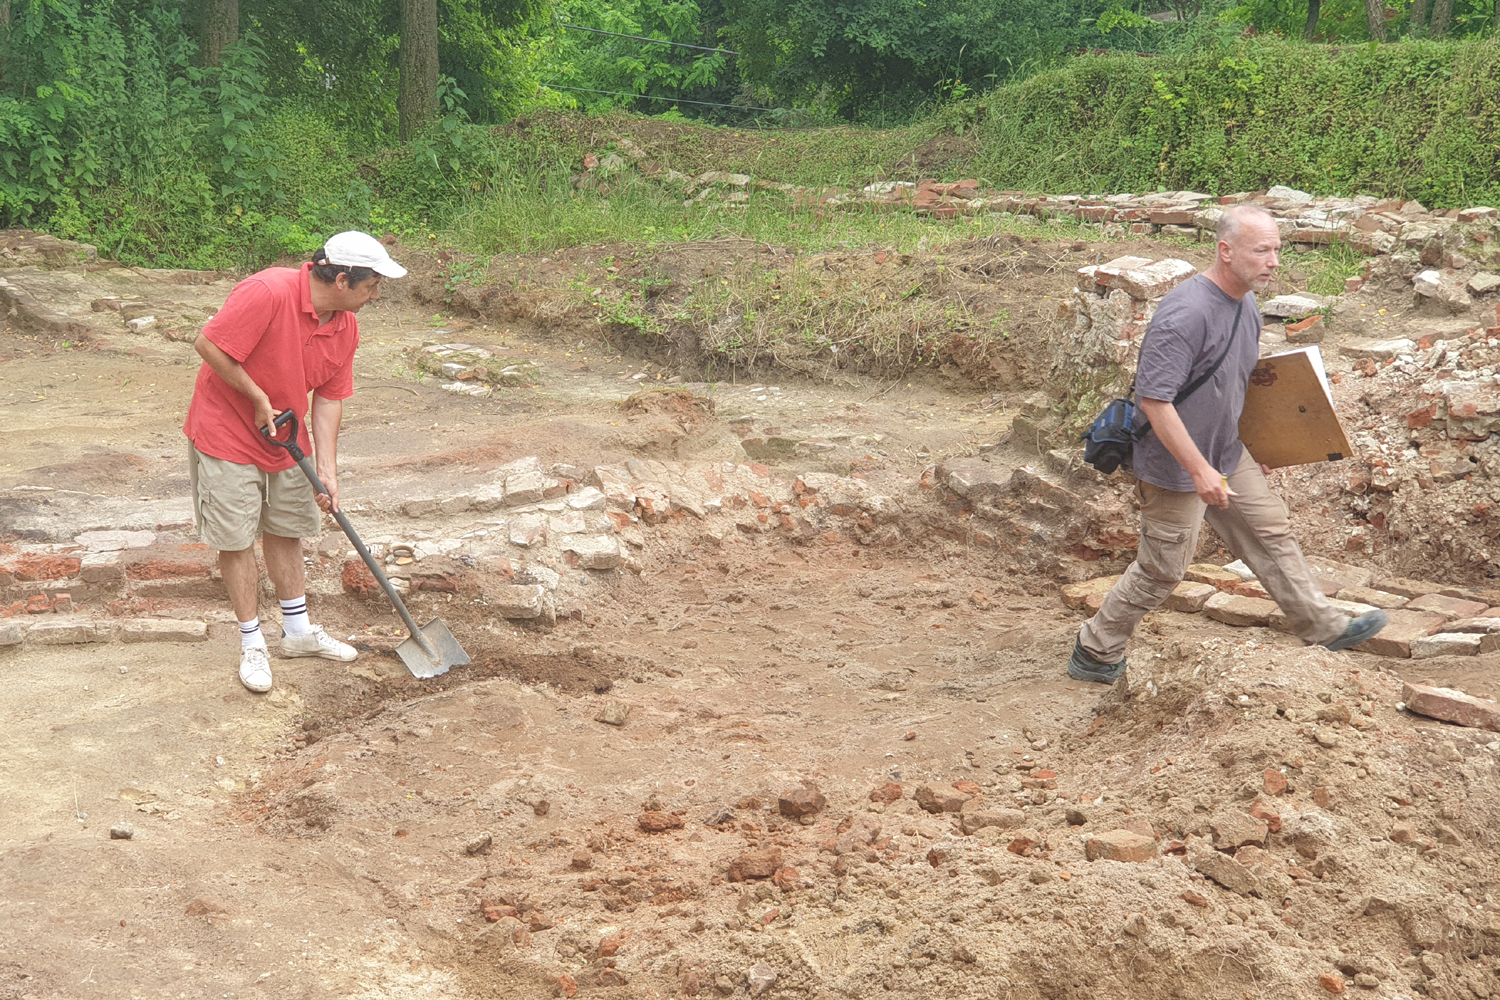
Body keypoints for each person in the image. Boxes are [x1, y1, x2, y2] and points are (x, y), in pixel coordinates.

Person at [1068, 205, 1387, 684]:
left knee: (1269, 531)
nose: (1273, 261)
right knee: (1162, 570)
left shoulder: (1247, 305)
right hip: (1176, 464)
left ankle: (1325, 627)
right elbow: (1155, 402)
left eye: (1276, 249)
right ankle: (1096, 649)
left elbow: (1237, 385)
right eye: (1261, 251)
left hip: (1227, 453)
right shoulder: (1185, 314)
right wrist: (1199, 470)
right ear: (1226, 251)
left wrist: (1262, 443)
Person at [183, 231, 407, 693]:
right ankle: (252, 643)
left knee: (287, 527)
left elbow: (329, 399)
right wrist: (257, 397)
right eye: (371, 286)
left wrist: (327, 472)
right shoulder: (267, 291)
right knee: (237, 537)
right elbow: (209, 345)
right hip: (225, 430)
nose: (375, 295)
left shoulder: (345, 326)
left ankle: (298, 632)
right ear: (342, 280)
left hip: (285, 437)